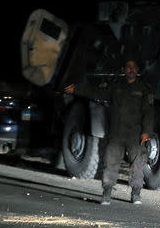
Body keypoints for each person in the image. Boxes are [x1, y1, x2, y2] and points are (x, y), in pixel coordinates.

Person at [64, 56, 154, 205]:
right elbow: (96, 92)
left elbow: (149, 112)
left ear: (137, 70)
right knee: (110, 163)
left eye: (133, 67)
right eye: (128, 67)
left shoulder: (144, 89)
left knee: (138, 164)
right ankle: (106, 193)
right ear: (124, 70)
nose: (131, 70)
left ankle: (136, 193)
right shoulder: (116, 87)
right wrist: (77, 89)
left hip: (135, 134)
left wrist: (146, 131)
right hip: (116, 133)